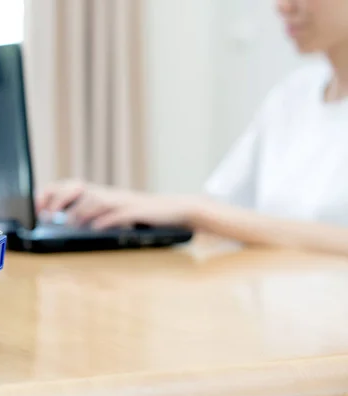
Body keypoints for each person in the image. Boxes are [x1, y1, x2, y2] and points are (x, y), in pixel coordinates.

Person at [35, 0, 348, 256]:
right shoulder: (293, 95)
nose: (283, 6)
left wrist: (196, 212)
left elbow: (209, 214)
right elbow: (223, 210)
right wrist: (116, 203)